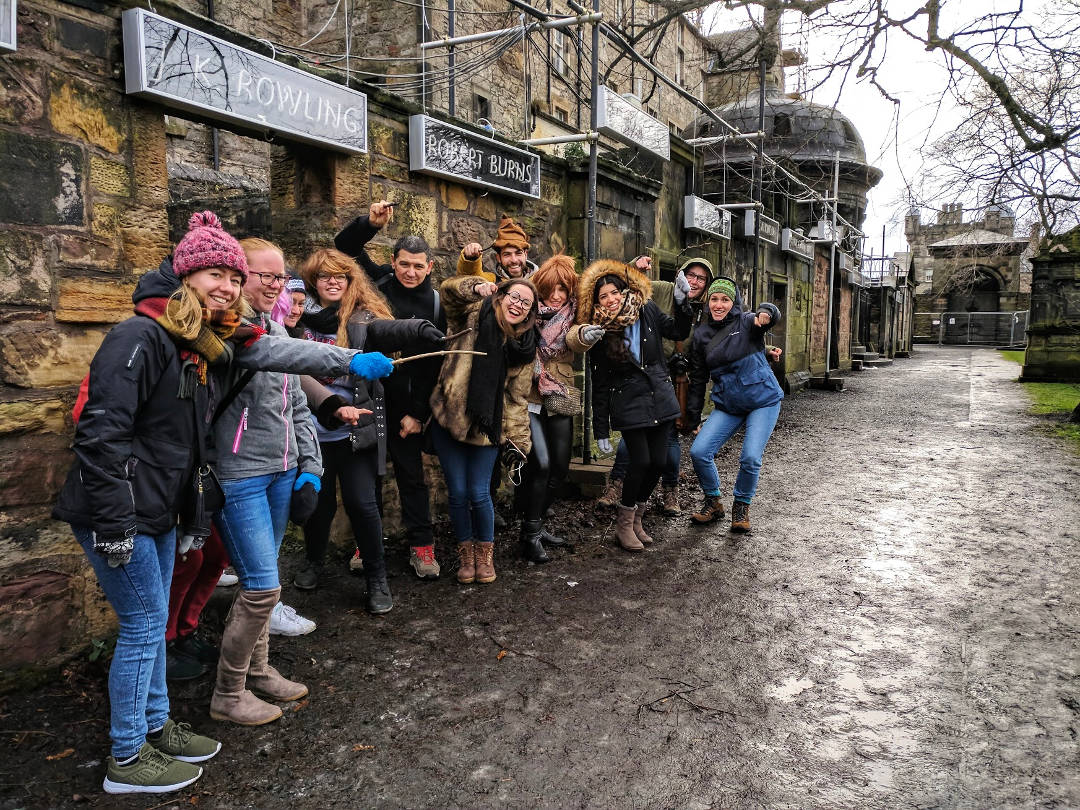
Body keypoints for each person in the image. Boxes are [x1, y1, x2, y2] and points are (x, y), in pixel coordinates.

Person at [51, 211, 388, 793]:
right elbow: (100, 432)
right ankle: (128, 757)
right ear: (184, 276)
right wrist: (113, 522)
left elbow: (276, 357)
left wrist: (343, 366)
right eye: (214, 274)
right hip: (123, 510)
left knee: (151, 622)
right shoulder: (140, 336)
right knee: (142, 627)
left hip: (157, 507)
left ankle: (157, 727)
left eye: (233, 277)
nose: (228, 287)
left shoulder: (203, 341)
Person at [296, 248, 443, 612]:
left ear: (350, 282)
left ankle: (377, 578)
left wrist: (419, 328)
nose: (333, 282)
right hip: (309, 431)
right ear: (313, 282)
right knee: (319, 504)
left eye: (341, 276)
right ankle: (313, 561)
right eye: (325, 276)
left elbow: (387, 329)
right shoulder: (294, 319)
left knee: (363, 504)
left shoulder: (361, 319)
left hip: (355, 429)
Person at [334, 202, 449, 579]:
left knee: (411, 477)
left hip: (406, 406)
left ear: (429, 267)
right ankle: (367, 545)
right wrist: (369, 223)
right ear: (393, 261)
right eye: (404, 264)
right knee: (369, 478)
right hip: (368, 397)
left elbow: (434, 361)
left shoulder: (434, 303)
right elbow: (344, 248)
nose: (410, 272)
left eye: (419, 266)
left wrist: (419, 413)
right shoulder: (377, 282)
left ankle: (421, 547)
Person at [575, 259, 691, 552]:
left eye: (615, 292)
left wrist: (683, 302)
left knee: (660, 462)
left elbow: (677, 331)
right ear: (596, 301)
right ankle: (624, 523)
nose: (611, 299)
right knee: (640, 460)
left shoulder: (646, 309)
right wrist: (600, 429)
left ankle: (638, 517)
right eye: (604, 296)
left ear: (624, 290)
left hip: (659, 396)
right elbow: (598, 384)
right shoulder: (598, 332)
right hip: (627, 403)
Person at [429, 275, 538, 583]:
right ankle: (465, 554)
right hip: (449, 417)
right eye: (514, 297)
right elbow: (449, 293)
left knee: (479, 493)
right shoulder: (473, 313)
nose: (517, 305)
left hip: (487, 426)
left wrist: (518, 443)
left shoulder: (523, 347)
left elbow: (517, 397)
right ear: (501, 296)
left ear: (530, 313)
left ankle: (484, 554)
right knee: (458, 492)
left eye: (526, 303)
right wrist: (476, 287)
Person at [597, 256, 712, 515]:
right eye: (690, 275)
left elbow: (717, 338)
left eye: (700, 278)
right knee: (636, 444)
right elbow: (626, 289)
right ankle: (617, 485)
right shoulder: (660, 291)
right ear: (680, 275)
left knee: (665, 446)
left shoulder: (706, 308)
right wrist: (634, 266)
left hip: (675, 380)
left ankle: (670, 490)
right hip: (644, 374)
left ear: (706, 284)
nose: (694, 281)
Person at [515, 254, 599, 562]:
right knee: (542, 463)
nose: (556, 295)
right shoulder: (527, 310)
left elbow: (575, 337)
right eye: (552, 288)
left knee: (561, 467)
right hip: (529, 392)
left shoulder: (574, 312)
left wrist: (586, 335)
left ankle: (537, 525)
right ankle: (530, 533)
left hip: (559, 391)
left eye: (563, 288)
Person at [685, 277, 784, 533]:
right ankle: (713, 501)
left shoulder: (747, 322)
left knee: (750, 457)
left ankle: (741, 505)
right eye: (715, 299)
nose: (719, 305)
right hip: (729, 404)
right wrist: (693, 417)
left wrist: (766, 313)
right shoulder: (701, 335)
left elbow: (770, 314)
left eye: (725, 300)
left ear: (734, 302)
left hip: (763, 400)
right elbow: (697, 379)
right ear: (708, 302)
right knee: (699, 451)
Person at [457, 213, 538, 282]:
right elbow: (468, 281)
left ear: (526, 254)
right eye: (507, 254)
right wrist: (470, 259)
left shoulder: (540, 281)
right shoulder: (491, 282)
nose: (514, 260)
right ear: (499, 258)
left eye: (518, 253)